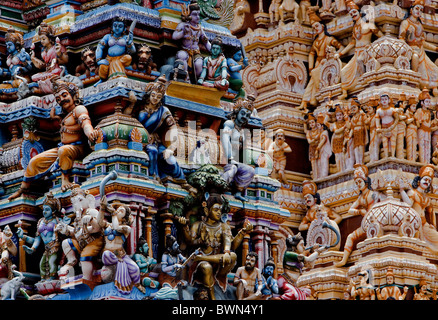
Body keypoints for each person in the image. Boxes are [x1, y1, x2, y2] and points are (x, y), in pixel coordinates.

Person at [8, 80, 99, 200]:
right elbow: (65, 126)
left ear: (73, 95)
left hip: (77, 148)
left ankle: (65, 178)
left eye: (64, 95)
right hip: (62, 148)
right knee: (33, 161)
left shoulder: (79, 109)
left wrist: (90, 132)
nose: (61, 100)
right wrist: (55, 118)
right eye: (58, 99)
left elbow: (85, 122)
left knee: (64, 151)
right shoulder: (65, 116)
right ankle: (22, 190)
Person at [178, 193, 252, 299]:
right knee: (206, 267)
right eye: (216, 209)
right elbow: (190, 241)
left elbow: (231, 244)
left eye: (220, 210)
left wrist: (243, 232)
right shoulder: (198, 225)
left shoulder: (223, 226)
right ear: (207, 210)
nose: (219, 213)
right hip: (201, 266)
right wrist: (184, 226)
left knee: (233, 256)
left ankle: (219, 277)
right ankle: (212, 297)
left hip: (218, 263)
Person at [137, 76, 194, 192]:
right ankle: (155, 178)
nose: (155, 99)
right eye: (153, 95)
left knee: (170, 160)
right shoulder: (141, 110)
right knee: (152, 151)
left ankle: (182, 181)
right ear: (149, 95)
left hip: (157, 142)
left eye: (158, 97)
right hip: (142, 141)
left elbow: (173, 128)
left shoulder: (163, 111)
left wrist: (171, 148)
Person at [335, 164, 383, 267]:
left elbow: (381, 201)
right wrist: (360, 212)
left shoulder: (373, 194)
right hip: (366, 224)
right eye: (356, 183)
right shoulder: (361, 198)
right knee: (350, 237)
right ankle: (344, 260)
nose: (358, 184)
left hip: (376, 223)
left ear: (365, 181)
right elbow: (350, 210)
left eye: (360, 181)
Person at [55, 185, 104, 282]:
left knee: (85, 256)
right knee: (66, 242)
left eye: (80, 200)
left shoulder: (92, 212)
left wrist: (89, 223)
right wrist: (66, 229)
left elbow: (99, 227)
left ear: (88, 200)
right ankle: (71, 261)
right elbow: (76, 232)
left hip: (94, 241)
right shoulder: (78, 217)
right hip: (82, 242)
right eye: (74, 203)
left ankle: (87, 279)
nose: (77, 205)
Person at [299, 8, 343, 110]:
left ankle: (313, 99)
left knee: (317, 79)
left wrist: (337, 55)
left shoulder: (329, 39)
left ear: (322, 26)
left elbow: (340, 47)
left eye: (317, 26)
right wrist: (310, 68)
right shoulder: (316, 42)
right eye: (314, 28)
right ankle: (305, 101)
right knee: (312, 81)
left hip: (326, 63)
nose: (316, 29)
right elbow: (311, 54)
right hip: (318, 63)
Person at [98, 196, 144, 294]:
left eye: (121, 211)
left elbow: (116, 228)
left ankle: (137, 284)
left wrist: (113, 214)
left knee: (135, 269)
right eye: (117, 210)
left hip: (121, 255)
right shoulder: (108, 225)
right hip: (109, 255)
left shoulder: (126, 228)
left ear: (125, 217)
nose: (118, 211)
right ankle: (119, 266)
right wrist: (102, 208)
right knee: (106, 254)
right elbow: (99, 222)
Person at [338, 1, 383, 99]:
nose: (353, 14)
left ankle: (364, 83)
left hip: (366, 51)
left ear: (359, 12)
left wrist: (372, 47)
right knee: (343, 71)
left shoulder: (369, 25)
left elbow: (381, 37)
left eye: (354, 12)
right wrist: (340, 53)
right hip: (357, 52)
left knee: (359, 60)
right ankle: (345, 92)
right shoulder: (355, 28)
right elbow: (352, 43)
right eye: (351, 13)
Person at [17, 192, 62, 281]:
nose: (44, 212)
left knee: (52, 262)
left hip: (55, 246)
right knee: (42, 264)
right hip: (46, 248)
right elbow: (37, 239)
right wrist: (24, 238)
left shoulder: (57, 221)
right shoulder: (40, 222)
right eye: (43, 209)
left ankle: (52, 279)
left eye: (47, 210)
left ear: (53, 211)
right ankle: (43, 280)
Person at [399, 0, 438, 96]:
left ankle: (432, 88)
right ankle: (414, 82)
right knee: (415, 57)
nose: (419, 11)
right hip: (410, 49)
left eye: (421, 10)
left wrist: (435, 49)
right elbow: (401, 38)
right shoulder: (405, 23)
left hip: (421, 51)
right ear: (411, 10)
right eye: (416, 8)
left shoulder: (420, 25)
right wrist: (405, 49)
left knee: (434, 70)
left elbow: (423, 42)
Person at [221, 95, 256, 201]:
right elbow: (225, 138)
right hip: (225, 159)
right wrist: (229, 156)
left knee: (250, 171)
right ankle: (219, 188)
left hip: (235, 161)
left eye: (247, 115)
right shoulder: (229, 124)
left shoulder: (243, 131)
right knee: (233, 168)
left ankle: (237, 192)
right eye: (243, 113)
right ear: (237, 112)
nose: (245, 116)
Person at [399, 164, 438, 253]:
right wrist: (401, 191)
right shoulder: (413, 193)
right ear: (419, 180)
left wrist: (433, 225)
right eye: (425, 179)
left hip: (424, 224)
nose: (427, 182)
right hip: (414, 224)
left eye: (429, 181)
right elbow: (408, 204)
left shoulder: (426, 198)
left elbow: (430, 212)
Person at [172, 0, 211, 82]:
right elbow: (174, 36)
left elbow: (206, 42)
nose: (197, 17)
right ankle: (186, 78)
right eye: (194, 14)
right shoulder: (183, 25)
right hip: (185, 50)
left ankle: (197, 81)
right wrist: (183, 32)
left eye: (198, 14)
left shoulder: (199, 28)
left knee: (199, 64)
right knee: (182, 56)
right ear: (189, 15)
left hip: (196, 52)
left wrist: (215, 52)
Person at [95, 17, 136, 85]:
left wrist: (129, 44)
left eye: (120, 26)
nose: (117, 28)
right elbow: (100, 47)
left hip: (121, 58)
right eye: (115, 26)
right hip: (109, 59)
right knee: (103, 66)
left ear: (124, 29)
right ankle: (102, 79)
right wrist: (98, 59)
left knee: (128, 58)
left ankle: (118, 76)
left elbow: (133, 51)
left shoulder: (126, 37)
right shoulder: (107, 37)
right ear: (112, 27)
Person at [30, 22, 69, 93]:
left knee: (55, 72)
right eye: (40, 39)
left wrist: (59, 53)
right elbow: (43, 65)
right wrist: (33, 58)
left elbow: (65, 60)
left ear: (50, 38)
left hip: (56, 70)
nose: (41, 41)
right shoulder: (43, 51)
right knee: (34, 77)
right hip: (48, 72)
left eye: (44, 39)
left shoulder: (57, 47)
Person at [0, 27, 32, 95]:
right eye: (7, 45)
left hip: (22, 78)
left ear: (16, 45)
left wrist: (21, 67)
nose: (8, 47)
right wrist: (3, 73)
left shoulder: (23, 54)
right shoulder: (9, 57)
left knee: (20, 84)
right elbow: (11, 72)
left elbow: (30, 68)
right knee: (1, 87)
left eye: (10, 45)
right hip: (13, 80)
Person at [375, 94, 399, 159]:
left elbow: (397, 118)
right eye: (382, 100)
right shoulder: (378, 111)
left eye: (385, 99)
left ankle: (393, 155)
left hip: (392, 126)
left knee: (393, 141)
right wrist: (378, 128)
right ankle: (386, 156)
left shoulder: (392, 109)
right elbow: (377, 120)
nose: (384, 101)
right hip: (383, 127)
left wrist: (393, 125)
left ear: (389, 100)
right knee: (384, 142)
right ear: (380, 101)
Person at [414, 88, 433, 163]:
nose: (428, 103)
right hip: (421, 130)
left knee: (427, 145)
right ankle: (422, 161)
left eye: (429, 102)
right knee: (422, 145)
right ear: (422, 103)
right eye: (427, 101)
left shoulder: (429, 112)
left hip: (427, 131)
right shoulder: (419, 111)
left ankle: (427, 162)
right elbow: (417, 120)